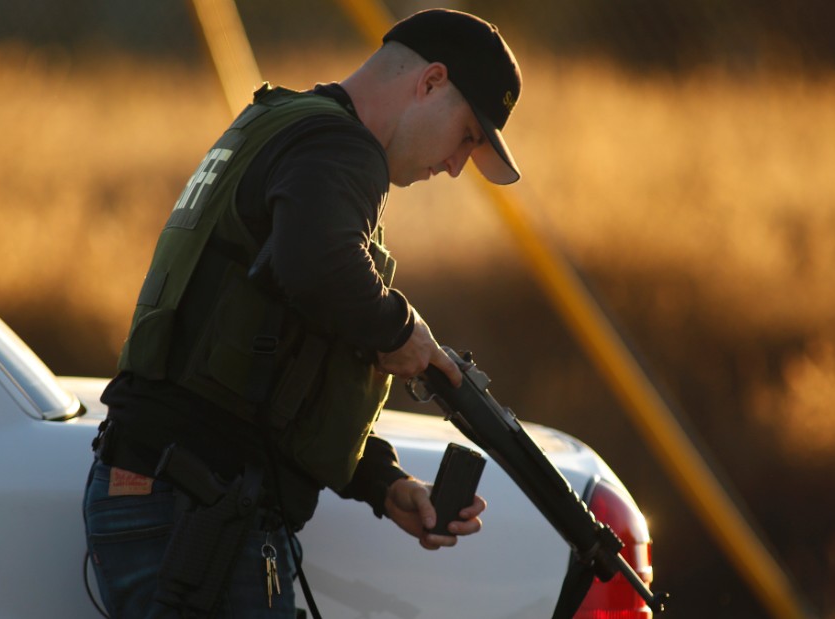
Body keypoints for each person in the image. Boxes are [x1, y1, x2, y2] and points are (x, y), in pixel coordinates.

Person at [83, 8, 522, 618]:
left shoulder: (286, 125)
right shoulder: (342, 149)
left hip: (169, 489)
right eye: (467, 136)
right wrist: (403, 333)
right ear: (430, 83)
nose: (454, 166)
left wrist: (383, 483)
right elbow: (317, 266)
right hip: (195, 502)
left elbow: (278, 361)